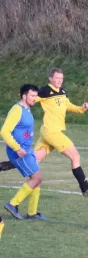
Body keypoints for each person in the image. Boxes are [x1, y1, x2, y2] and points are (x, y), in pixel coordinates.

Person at [0, 69, 88, 196]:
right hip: (51, 132)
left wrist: (82, 108)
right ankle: (85, 188)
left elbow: (68, 106)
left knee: (33, 160)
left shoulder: (63, 91)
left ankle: (4, 166)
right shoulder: (44, 91)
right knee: (75, 156)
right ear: (50, 78)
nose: (59, 80)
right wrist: (19, 108)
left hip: (50, 132)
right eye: (57, 78)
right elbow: (29, 99)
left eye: (61, 78)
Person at [2, 84, 48, 220]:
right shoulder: (17, 110)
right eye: (32, 96)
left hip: (26, 150)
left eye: (36, 95)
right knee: (37, 178)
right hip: (19, 152)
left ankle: (32, 213)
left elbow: (23, 131)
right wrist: (17, 148)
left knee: (37, 180)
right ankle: (12, 204)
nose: (35, 98)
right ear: (24, 96)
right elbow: (4, 131)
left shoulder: (27, 110)